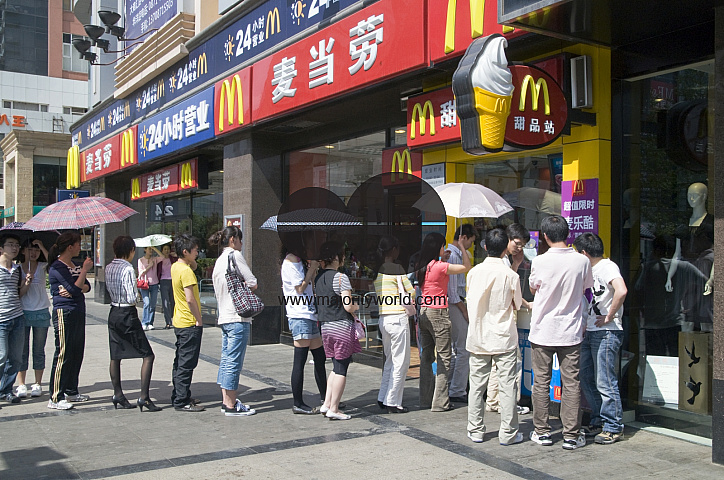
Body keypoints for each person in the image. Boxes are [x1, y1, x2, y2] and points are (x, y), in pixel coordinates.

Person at [528, 216, 593, 450]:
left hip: (543, 331)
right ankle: (571, 435)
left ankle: (542, 432)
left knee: (541, 383)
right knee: (571, 383)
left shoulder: (539, 261)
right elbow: (587, 290)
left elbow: (533, 287)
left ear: (545, 236)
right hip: (571, 332)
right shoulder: (582, 261)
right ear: (567, 234)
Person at [465, 228, 523, 445]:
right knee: (508, 387)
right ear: (505, 249)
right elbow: (517, 304)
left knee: (477, 386)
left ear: (486, 247)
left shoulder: (473, 273)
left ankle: (476, 429)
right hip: (503, 337)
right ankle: (508, 433)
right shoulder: (510, 275)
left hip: (479, 336)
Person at [574, 233, 628, 445]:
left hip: (607, 332)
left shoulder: (607, 266)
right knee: (587, 377)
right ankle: (599, 421)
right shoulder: (590, 270)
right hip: (590, 331)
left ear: (585, 253)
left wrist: (610, 315)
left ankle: (613, 426)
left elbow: (621, 290)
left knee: (605, 380)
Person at [415, 232, 471, 412]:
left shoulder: (422, 266)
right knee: (445, 358)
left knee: (427, 357)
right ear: (437, 248)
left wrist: (442, 257)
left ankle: (425, 398)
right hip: (438, 313)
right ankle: (440, 401)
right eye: (442, 247)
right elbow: (465, 267)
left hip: (424, 311)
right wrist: (462, 246)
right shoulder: (441, 267)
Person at [104, 235, 161, 412]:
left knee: (115, 355)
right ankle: (144, 397)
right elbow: (131, 297)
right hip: (127, 313)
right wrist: (136, 290)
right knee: (147, 355)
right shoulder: (128, 268)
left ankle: (118, 393)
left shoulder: (108, 267)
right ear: (130, 251)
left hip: (113, 311)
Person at [210, 227, 258, 416]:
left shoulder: (219, 261)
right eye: (240, 239)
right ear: (232, 240)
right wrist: (245, 285)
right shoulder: (234, 256)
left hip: (224, 316)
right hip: (237, 316)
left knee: (226, 359)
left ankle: (226, 401)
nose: (241, 243)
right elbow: (253, 282)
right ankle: (230, 404)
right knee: (233, 361)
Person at [487, 223, 531, 416]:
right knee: (512, 362)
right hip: (504, 319)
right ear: (508, 239)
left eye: (522, 245)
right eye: (518, 243)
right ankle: (508, 403)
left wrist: (517, 263)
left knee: (497, 364)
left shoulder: (502, 261)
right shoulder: (502, 262)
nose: (519, 248)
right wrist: (528, 305)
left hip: (495, 319)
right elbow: (512, 291)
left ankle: (494, 400)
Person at [47, 232, 93, 410]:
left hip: (78, 310)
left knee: (76, 351)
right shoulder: (57, 267)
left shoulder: (73, 265)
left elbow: (85, 287)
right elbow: (72, 289)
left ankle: (71, 389)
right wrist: (82, 273)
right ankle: (55, 396)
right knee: (63, 352)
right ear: (69, 247)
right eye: (78, 244)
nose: (80, 247)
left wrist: (79, 284)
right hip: (64, 312)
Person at [281, 244, 327, 415]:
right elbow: (299, 288)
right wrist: (312, 269)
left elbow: (307, 285)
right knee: (299, 361)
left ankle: (326, 398)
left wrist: (311, 269)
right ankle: (298, 403)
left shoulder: (299, 261)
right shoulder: (291, 260)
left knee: (320, 357)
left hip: (309, 313)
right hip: (299, 315)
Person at [315, 241, 360, 420]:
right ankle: (334, 408)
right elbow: (348, 306)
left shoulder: (318, 278)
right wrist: (356, 306)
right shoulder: (341, 278)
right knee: (341, 368)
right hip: (341, 326)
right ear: (336, 258)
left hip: (325, 327)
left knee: (335, 366)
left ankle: (326, 404)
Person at [374, 236, 415, 413]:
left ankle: (382, 397)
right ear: (394, 250)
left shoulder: (378, 271)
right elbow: (411, 292)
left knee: (390, 361)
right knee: (401, 363)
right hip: (398, 318)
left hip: (384, 319)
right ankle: (393, 401)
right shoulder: (397, 269)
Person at [170, 234, 205, 412]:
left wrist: (192, 263)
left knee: (180, 360)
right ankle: (181, 400)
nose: (198, 252)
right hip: (189, 322)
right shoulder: (186, 272)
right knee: (187, 363)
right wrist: (199, 320)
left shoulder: (176, 267)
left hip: (179, 321)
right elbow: (190, 299)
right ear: (185, 251)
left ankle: (179, 394)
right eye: (195, 250)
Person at [15, 238, 51, 399]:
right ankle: (21, 384)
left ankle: (37, 383)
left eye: (36, 249)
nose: (33, 252)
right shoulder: (18, 269)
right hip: (23, 312)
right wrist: (26, 282)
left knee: (39, 350)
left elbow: (52, 261)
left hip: (41, 311)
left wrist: (42, 246)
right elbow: (18, 293)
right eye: (30, 249)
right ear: (23, 251)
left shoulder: (43, 267)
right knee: (22, 351)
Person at [0, 234, 32, 405]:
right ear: (1, 248)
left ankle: (6, 390)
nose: (14, 248)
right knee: (2, 355)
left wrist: (26, 283)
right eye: (10, 245)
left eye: (17, 245)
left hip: (17, 317)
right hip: (1, 319)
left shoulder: (17, 268)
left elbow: (19, 294)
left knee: (16, 358)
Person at [446, 224, 477, 405]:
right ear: (463, 237)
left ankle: (452, 386)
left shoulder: (456, 255)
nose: (471, 246)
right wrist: (464, 311)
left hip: (455, 304)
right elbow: (452, 291)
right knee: (463, 349)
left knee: (456, 349)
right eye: (470, 242)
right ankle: (456, 389)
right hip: (454, 305)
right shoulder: (453, 256)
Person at [138, 247, 161, 331]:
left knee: (153, 304)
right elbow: (141, 273)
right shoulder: (140, 260)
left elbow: (162, 257)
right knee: (146, 303)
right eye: (149, 249)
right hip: (145, 284)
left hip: (154, 284)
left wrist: (155, 248)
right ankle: (144, 322)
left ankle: (150, 323)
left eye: (151, 250)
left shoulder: (154, 259)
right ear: (145, 250)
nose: (150, 251)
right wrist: (149, 266)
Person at [157, 243, 176, 329]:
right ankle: (168, 322)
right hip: (163, 281)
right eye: (165, 249)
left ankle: (175, 319)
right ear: (162, 251)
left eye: (168, 249)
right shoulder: (159, 260)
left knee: (173, 301)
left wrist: (174, 254)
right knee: (166, 302)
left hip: (173, 281)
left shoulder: (173, 259)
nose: (166, 251)